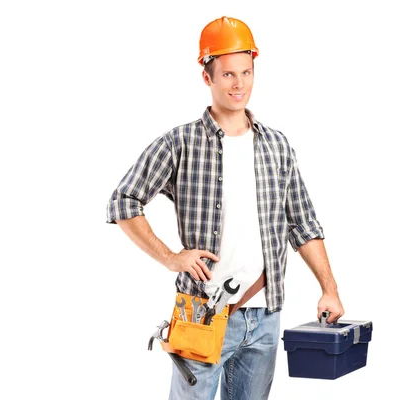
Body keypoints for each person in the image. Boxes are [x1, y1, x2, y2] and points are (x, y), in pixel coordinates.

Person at [106, 16, 344, 400]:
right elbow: (123, 201)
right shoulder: (180, 143)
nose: (240, 84)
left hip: (265, 315)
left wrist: (329, 289)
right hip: (201, 312)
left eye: (247, 73)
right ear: (208, 77)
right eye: (229, 74)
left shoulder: (276, 146)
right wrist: (171, 257)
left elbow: (303, 223)